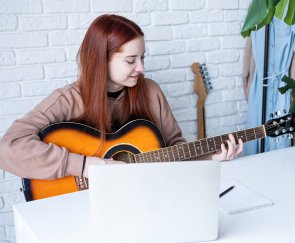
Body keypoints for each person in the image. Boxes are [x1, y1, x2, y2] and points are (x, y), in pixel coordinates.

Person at [0, 14, 243, 181]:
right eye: (130, 60)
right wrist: (86, 166)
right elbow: (8, 148)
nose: (141, 68)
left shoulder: (151, 92)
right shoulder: (67, 100)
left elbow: (174, 149)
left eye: (142, 58)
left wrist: (210, 156)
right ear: (100, 60)